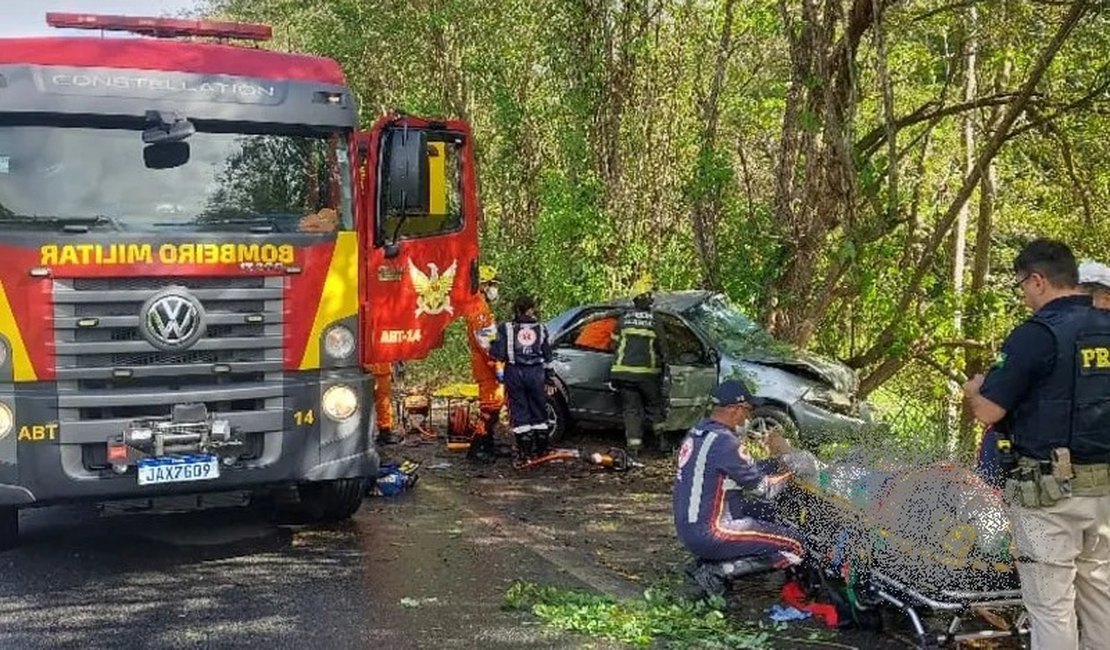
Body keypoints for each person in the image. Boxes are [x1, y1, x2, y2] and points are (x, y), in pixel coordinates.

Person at [963, 238, 1110, 650]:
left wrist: (975, 390)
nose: (1025, 294)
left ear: (1038, 280)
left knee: (1051, 607)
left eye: (1023, 285)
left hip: (1051, 497)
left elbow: (989, 412)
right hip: (1105, 498)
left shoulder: (1038, 334)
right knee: (1101, 598)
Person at [672, 380, 805, 569]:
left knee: (770, 513)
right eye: (748, 411)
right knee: (796, 542)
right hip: (712, 532)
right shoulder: (726, 442)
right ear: (736, 409)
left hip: (690, 528)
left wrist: (776, 463)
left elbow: (741, 469)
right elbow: (765, 489)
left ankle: (719, 560)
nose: (748, 418)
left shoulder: (701, 432)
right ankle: (720, 571)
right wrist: (793, 471)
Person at [490, 295, 556, 460]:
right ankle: (541, 451)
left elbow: (497, 353)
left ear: (517, 310)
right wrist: (549, 377)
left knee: (520, 411)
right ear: (530, 309)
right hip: (536, 373)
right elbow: (548, 356)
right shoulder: (541, 328)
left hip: (515, 372)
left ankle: (525, 453)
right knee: (539, 410)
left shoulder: (506, 328)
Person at [610, 274, 667, 454]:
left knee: (631, 410)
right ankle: (662, 444)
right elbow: (663, 347)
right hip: (647, 374)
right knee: (655, 407)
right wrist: (665, 362)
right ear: (646, 299)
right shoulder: (654, 320)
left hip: (623, 373)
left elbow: (613, 344)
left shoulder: (623, 319)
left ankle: (634, 448)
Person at [463, 265, 506, 463]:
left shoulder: (479, 306)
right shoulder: (479, 309)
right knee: (490, 409)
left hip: (486, 364)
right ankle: (478, 448)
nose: (494, 289)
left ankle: (486, 445)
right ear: (483, 285)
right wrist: (497, 364)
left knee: (493, 407)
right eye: (492, 285)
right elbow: (486, 343)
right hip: (487, 365)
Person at [370, 362, 400, 445]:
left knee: (383, 401)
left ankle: (384, 432)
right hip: (377, 368)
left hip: (380, 368)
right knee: (383, 401)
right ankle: (384, 432)